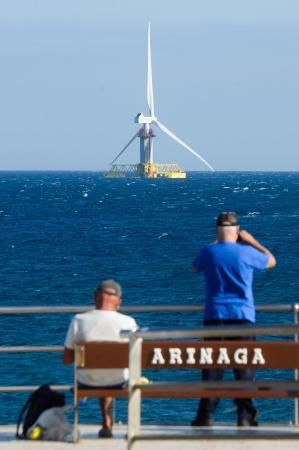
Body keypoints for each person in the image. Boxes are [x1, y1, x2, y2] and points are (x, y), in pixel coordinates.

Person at [191, 212, 276, 427]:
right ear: (237, 232)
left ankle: (206, 415)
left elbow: (195, 267)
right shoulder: (247, 252)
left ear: (217, 232)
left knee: (212, 369)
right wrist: (252, 241)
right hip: (242, 318)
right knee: (244, 370)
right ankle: (245, 416)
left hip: (214, 318)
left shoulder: (209, 252)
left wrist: (216, 241)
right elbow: (271, 261)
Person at [62, 279, 137, 438]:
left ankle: (104, 424)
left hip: (86, 382)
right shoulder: (128, 322)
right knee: (110, 374)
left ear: (95, 296)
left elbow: (67, 358)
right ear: (118, 301)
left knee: (98, 373)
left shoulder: (79, 320)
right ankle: (109, 424)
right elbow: (135, 358)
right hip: (119, 382)